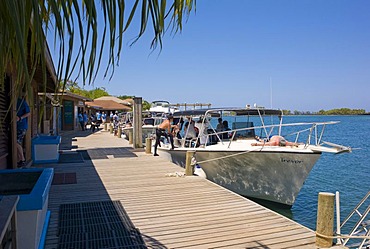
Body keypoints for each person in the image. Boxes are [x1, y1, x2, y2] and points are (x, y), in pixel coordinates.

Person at [16, 94, 31, 167]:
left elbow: (28, 113)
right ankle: (20, 159)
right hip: (14, 126)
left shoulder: (22, 102)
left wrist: (20, 118)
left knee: (16, 142)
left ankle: (22, 159)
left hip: (22, 126)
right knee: (17, 143)